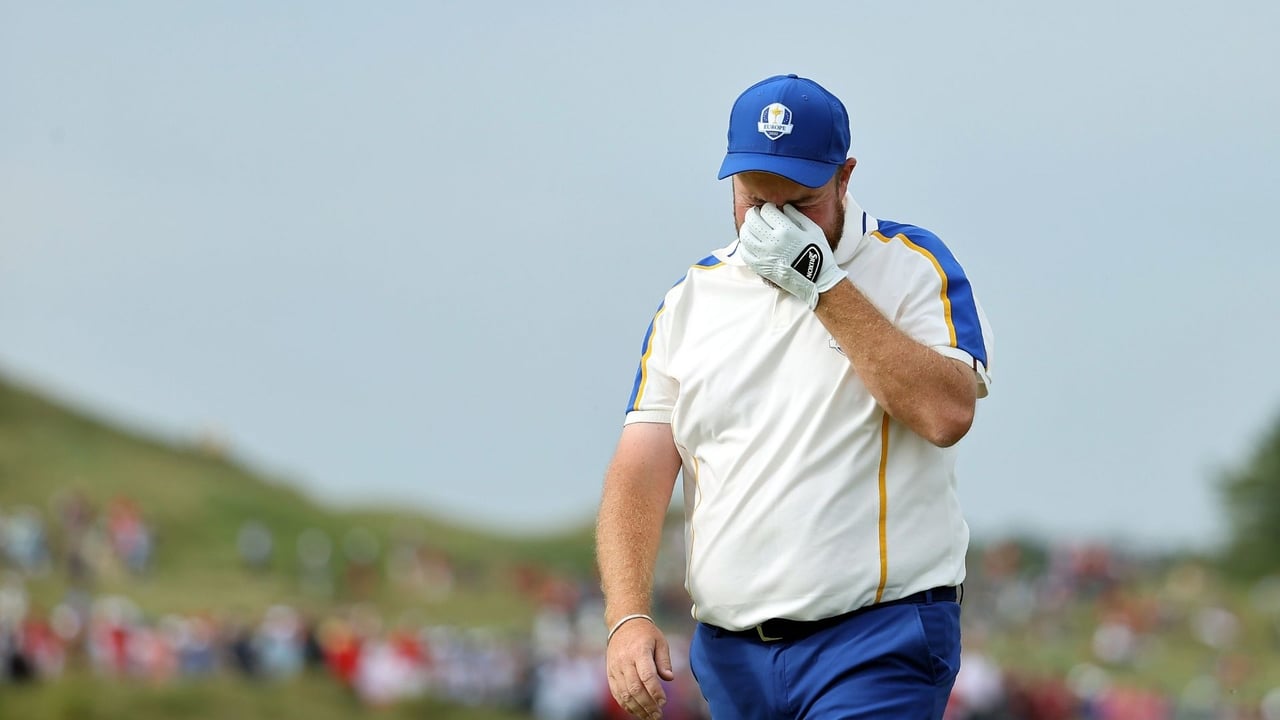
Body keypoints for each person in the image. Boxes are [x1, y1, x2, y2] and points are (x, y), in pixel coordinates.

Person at [595, 73, 995, 720]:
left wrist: (820, 282)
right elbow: (639, 469)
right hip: (732, 655)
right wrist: (626, 617)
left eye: (801, 205)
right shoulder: (690, 300)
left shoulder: (913, 264)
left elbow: (946, 414)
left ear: (845, 176)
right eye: (757, 204)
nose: (777, 227)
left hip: (877, 637)